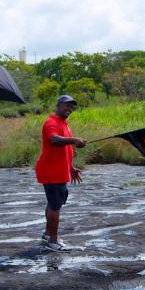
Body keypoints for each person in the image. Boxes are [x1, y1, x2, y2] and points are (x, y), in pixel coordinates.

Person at [35, 95, 86, 251]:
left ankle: (47, 234)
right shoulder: (51, 123)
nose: (69, 109)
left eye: (71, 107)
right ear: (58, 105)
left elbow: (67, 150)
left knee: (53, 204)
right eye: (66, 106)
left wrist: (71, 168)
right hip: (51, 171)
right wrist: (74, 140)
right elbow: (54, 140)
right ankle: (53, 241)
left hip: (60, 172)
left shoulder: (65, 125)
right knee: (55, 206)